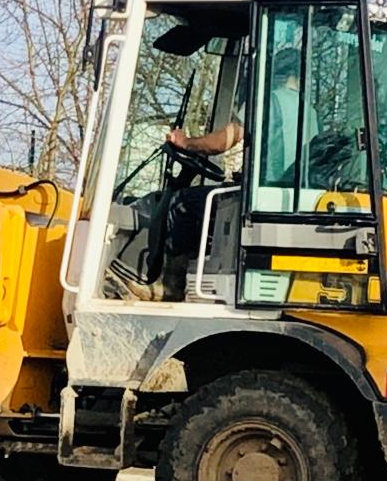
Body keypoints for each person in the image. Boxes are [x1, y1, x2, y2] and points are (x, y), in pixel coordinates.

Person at [125, 47, 312, 302]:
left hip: (256, 201)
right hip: (287, 198)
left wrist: (186, 142)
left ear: (277, 72)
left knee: (183, 203)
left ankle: (168, 287)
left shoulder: (268, 101)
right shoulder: (309, 111)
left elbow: (224, 141)